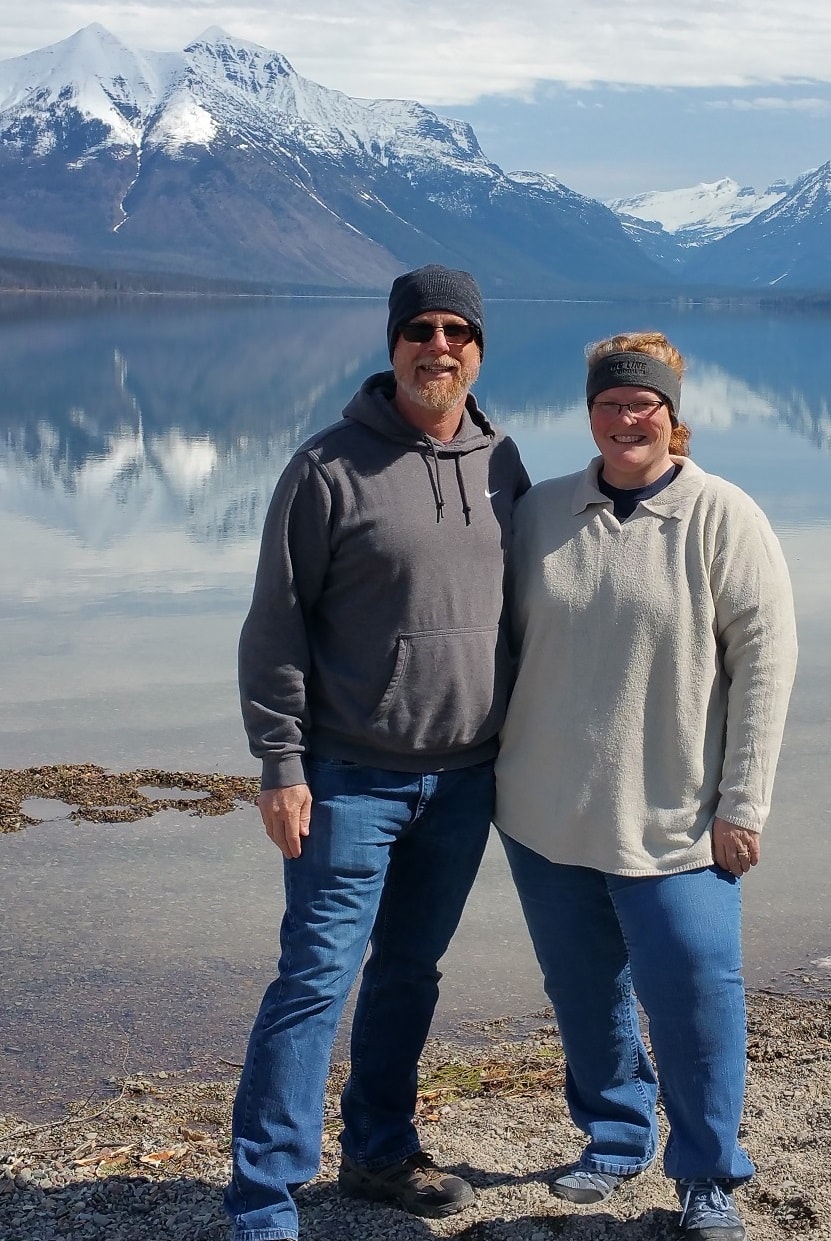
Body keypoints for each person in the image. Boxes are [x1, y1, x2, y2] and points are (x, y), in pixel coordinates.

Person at [225, 264, 530, 1241]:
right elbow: (274, 626)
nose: (436, 347)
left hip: (467, 777)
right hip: (349, 775)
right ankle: (264, 1200)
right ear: (391, 342)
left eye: (455, 331)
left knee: (408, 971)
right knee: (314, 977)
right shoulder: (325, 468)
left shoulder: (503, 464)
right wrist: (280, 763)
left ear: (478, 347)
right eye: (419, 330)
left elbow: (530, 617)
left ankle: (378, 1151)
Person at [494, 331, 797, 1241]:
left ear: (672, 414)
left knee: (697, 992)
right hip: (545, 815)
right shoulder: (541, 512)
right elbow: (492, 644)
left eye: (644, 404)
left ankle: (707, 1174)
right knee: (583, 991)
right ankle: (615, 1136)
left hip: (674, 819)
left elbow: (766, 667)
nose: (626, 419)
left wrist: (742, 803)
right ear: (588, 412)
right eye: (609, 403)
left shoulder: (723, 515)